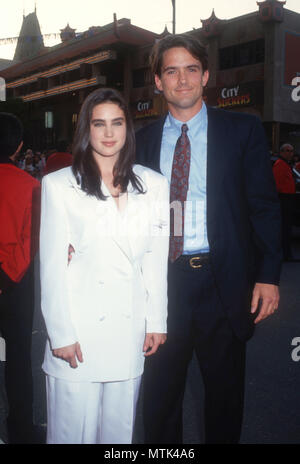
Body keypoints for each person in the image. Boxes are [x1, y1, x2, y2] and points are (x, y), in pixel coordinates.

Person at [135, 34, 282, 444]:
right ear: (158, 82)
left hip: (223, 283)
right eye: (171, 70)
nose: (182, 79)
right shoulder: (141, 141)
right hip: (161, 286)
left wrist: (268, 275)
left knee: (224, 397)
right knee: (160, 398)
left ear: (206, 76)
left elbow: (264, 206)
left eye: (191, 69)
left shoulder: (242, 130)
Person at [39, 87, 169, 444]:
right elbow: (51, 267)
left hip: (128, 329)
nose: (109, 133)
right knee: (70, 434)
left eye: (117, 123)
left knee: (118, 435)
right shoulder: (58, 185)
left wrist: (157, 321)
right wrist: (61, 333)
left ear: (128, 128)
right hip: (78, 330)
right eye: (99, 124)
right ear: (86, 129)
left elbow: (155, 259)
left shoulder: (154, 185)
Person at [0, 112, 41, 443]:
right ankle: (21, 431)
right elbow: (30, 244)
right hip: (15, 286)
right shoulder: (32, 186)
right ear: (19, 147)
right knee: (17, 360)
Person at [272, 143, 297, 261]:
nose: (290, 153)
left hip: (288, 199)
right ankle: (285, 255)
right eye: (287, 150)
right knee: (284, 229)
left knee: (287, 228)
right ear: (281, 152)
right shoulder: (279, 165)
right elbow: (276, 185)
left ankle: (287, 254)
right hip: (283, 200)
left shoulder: (286, 165)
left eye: (292, 151)